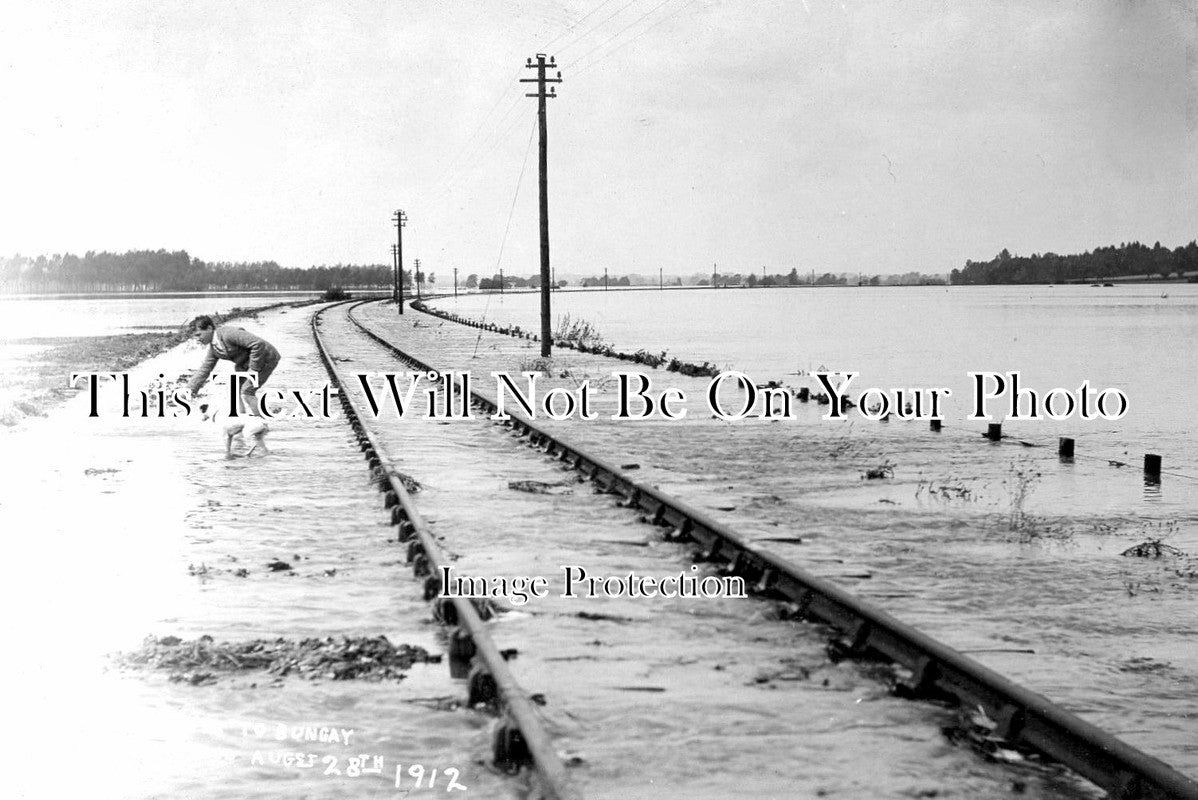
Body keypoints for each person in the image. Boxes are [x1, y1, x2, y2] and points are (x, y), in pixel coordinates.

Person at [186, 316, 281, 455]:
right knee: (233, 390)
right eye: (195, 336)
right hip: (246, 365)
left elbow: (257, 344)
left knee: (247, 391)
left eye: (199, 334)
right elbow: (205, 369)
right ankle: (241, 425)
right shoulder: (214, 347)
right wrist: (190, 390)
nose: (198, 339)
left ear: (209, 328)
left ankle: (261, 425)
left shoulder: (228, 333)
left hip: (265, 358)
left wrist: (253, 370)